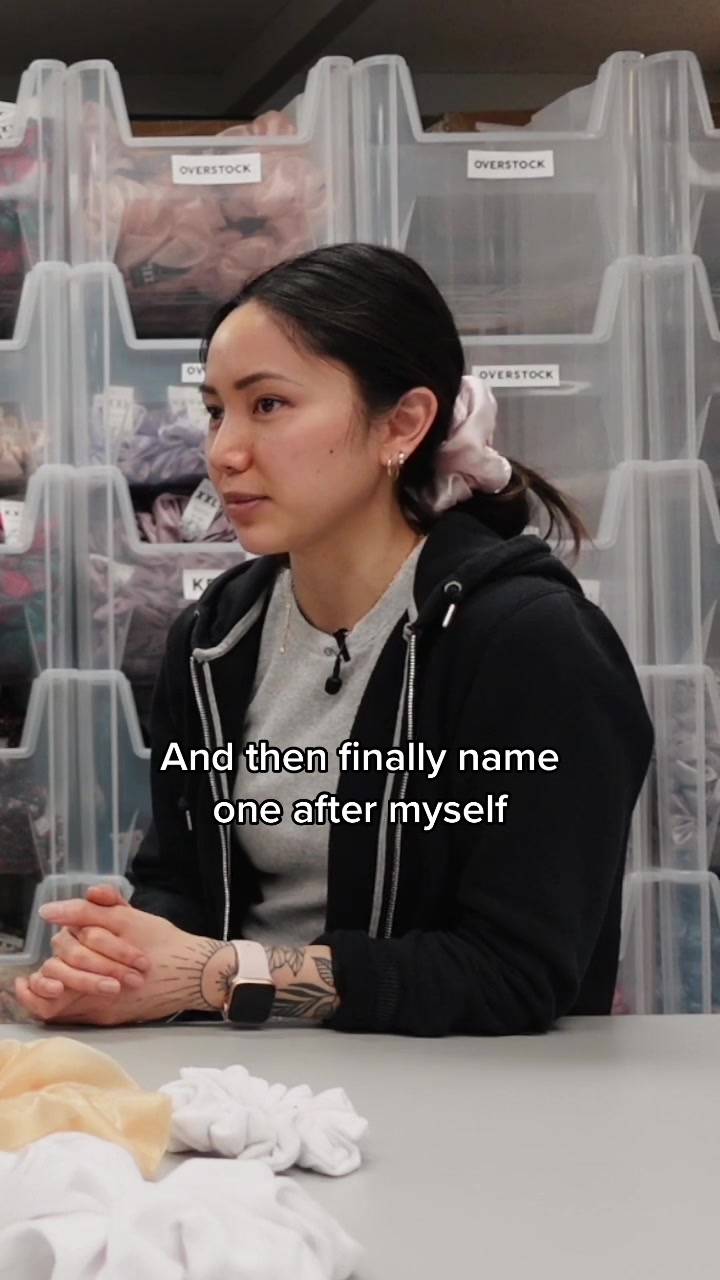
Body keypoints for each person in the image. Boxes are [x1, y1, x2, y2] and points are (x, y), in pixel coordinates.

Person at [14, 243, 654, 1035]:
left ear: (404, 423)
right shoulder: (214, 640)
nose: (223, 452)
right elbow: (182, 881)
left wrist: (221, 975)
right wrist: (120, 961)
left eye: (268, 404)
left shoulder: (530, 644)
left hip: (460, 1092)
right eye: (215, 410)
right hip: (245, 1083)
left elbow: (515, 973)